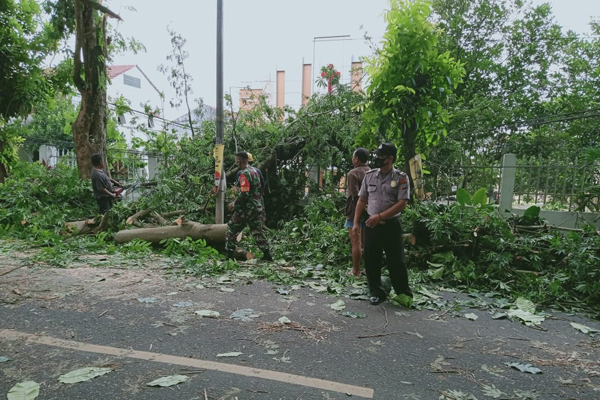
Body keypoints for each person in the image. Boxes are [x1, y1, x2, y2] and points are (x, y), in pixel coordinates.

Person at [353, 143, 413, 307]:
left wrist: (380, 217)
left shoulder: (401, 178)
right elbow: (362, 200)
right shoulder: (370, 176)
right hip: (371, 224)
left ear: (390, 158)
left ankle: (403, 293)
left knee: (396, 260)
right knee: (371, 258)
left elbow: (402, 203)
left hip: (391, 224)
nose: (377, 159)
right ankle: (376, 292)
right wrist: (356, 223)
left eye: (381, 156)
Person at [226, 151, 272, 261]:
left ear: (239, 160)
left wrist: (233, 204)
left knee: (231, 228)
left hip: (246, 208)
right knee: (257, 231)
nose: (236, 162)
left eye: (236, 160)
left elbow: (244, 193)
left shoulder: (244, 174)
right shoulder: (255, 171)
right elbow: (260, 188)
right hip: (256, 207)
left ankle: (229, 256)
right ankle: (267, 255)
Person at [345, 148, 370, 277]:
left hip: (355, 211)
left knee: (356, 242)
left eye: (353, 156)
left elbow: (356, 195)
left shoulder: (353, 173)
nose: (352, 159)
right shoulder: (371, 172)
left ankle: (356, 271)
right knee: (367, 242)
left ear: (357, 159)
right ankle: (368, 269)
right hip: (370, 211)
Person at [247, 152, 267, 223]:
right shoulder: (257, 171)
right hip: (258, 197)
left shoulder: (241, 172)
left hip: (248, 199)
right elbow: (263, 183)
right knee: (260, 215)